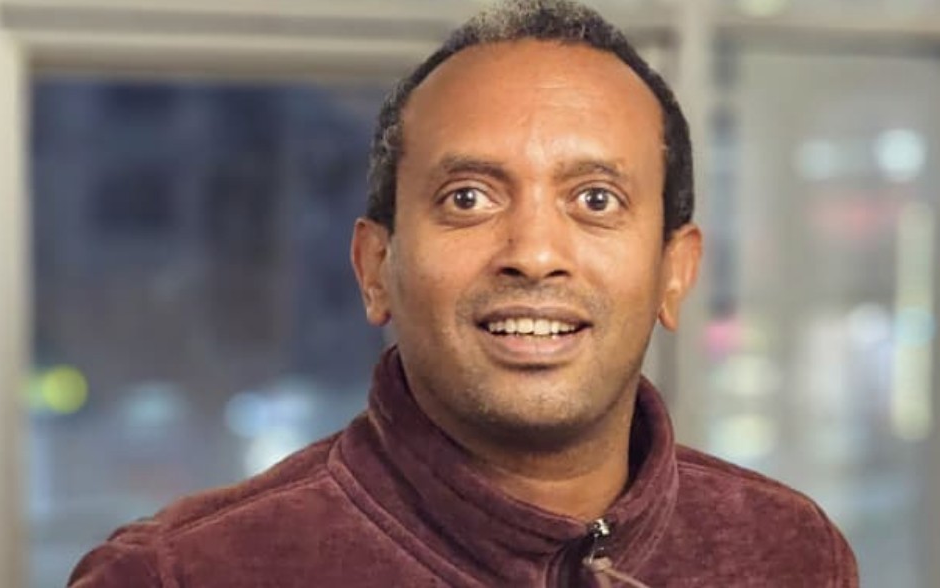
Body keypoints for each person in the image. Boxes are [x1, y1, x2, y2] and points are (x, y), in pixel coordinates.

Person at [68, 1, 859, 586]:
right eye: (469, 198)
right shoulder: (184, 575)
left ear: (675, 271)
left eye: (595, 200)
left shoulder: (790, 553)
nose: (534, 254)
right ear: (375, 267)